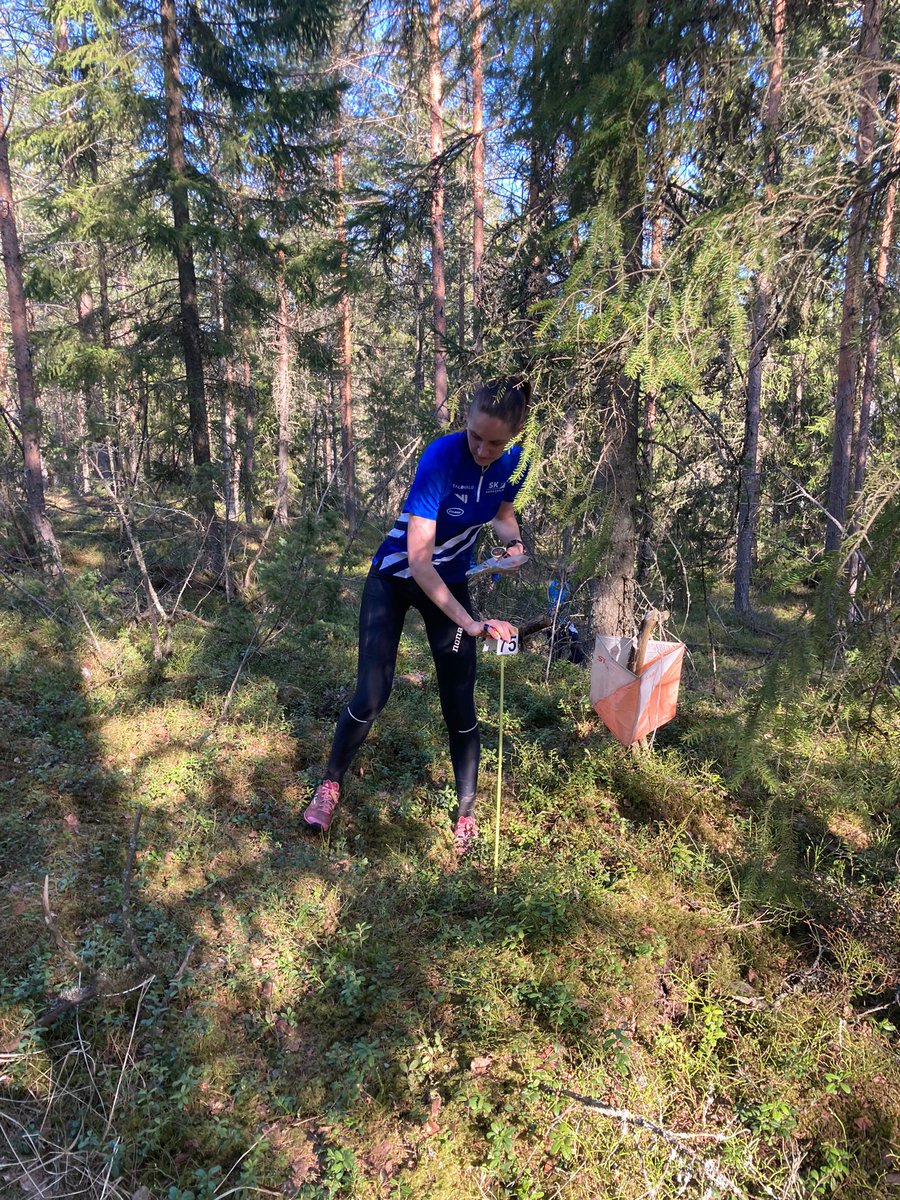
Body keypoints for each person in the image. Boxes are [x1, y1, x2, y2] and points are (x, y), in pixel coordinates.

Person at [304, 378, 531, 853]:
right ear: (464, 422)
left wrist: (511, 543)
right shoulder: (441, 458)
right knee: (371, 694)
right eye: (476, 437)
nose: (485, 450)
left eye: (496, 442)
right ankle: (329, 784)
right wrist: (469, 623)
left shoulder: (515, 462)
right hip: (396, 576)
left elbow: (503, 512)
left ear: (514, 436)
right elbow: (420, 563)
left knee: (459, 700)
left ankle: (465, 814)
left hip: (450, 581)